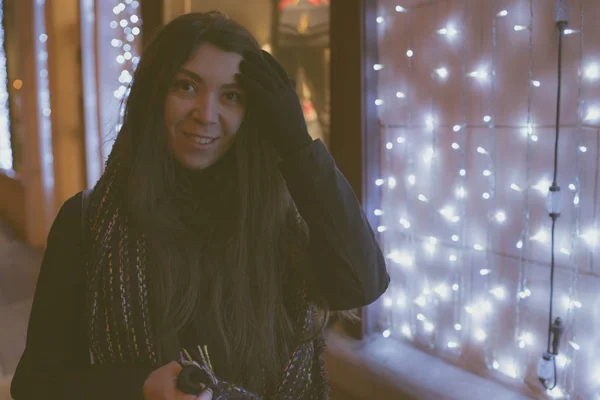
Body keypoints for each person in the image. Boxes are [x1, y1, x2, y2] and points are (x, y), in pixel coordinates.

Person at [10, 11, 389, 400]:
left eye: (231, 96)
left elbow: (360, 285)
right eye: (186, 86)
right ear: (155, 93)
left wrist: (296, 144)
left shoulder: (278, 216)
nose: (206, 114)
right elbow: (36, 386)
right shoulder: (87, 222)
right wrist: (137, 387)